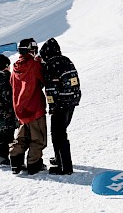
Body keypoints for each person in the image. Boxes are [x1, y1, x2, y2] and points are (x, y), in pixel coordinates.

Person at [39, 38, 82, 175]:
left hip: (61, 103)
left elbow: (52, 88)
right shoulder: (66, 60)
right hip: (72, 100)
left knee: (58, 134)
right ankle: (60, 159)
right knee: (61, 131)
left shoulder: (52, 65)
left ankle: (65, 167)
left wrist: (53, 106)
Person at [9, 38, 47, 175]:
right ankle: (34, 164)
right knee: (38, 138)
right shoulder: (34, 64)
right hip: (35, 107)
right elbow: (43, 79)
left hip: (20, 108)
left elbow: (13, 84)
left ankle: (15, 163)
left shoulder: (15, 67)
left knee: (21, 137)